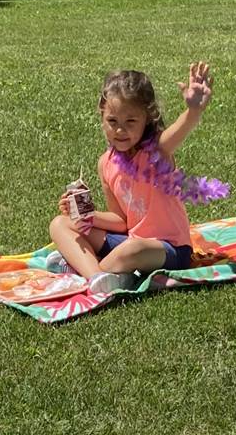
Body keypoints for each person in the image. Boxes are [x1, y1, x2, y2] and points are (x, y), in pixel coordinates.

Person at [48, 63, 223, 297]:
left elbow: (178, 132)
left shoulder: (157, 153)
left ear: (147, 119)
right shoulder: (106, 163)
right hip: (129, 240)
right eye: (112, 121)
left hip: (168, 249)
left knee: (131, 250)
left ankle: (86, 270)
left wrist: (193, 111)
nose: (120, 130)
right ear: (102, 116)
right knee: (60, 224)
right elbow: (120, 221)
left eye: (130, 122)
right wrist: (85, 214)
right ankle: (101, 277)